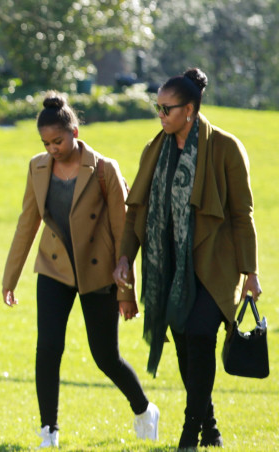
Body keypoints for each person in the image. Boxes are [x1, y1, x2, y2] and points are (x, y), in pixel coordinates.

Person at [113, 67, 261, 449]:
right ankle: (209, 425)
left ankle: (189, 432)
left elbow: (243, 214)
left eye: (167, 108)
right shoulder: (154, 150)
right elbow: (136, 211)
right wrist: (125, 257)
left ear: (190, 110)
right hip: (168, 267)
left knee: (199, 336)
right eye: (157, 107)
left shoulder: (227, 148)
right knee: (183, 343)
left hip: (213, 265)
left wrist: (250, 273)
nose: (160, 115)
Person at [2, 92, 159, 448]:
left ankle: (144, 410)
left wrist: (126, 291)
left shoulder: (104, 168)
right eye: (46, 142)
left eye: (57, 140)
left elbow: (124, 231)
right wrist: (10, 279)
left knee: (105, 356)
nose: (52, 148)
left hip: (98, 272)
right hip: (54, 269)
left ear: (74, 131)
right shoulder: (37, 167)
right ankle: (49, 431)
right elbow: (27, 223)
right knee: (48, 349)